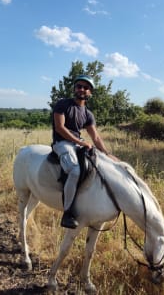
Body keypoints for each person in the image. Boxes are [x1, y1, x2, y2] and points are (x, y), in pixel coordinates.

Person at [52, 74, 118, 229]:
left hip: (76, 144)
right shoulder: (63, 104)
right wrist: (81, 142)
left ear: (90, 93)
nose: (82, 89)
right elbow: (60, 128)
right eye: (79, 86)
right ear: (74, 89)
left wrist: (107, 154)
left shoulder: (88, 114)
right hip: (62, 143)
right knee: (74, 170)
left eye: (86, 88)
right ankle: (67, 212)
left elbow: (95, 136)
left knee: (99, 164)